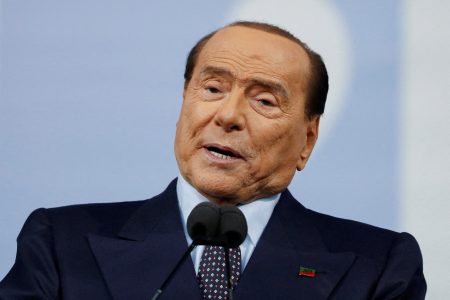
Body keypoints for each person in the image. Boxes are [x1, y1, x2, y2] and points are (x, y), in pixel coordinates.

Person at [0, 21, 426, 299]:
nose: (227, 115)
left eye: (263, 100)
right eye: (212, 88)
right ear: (185, 99)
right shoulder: (60, 244)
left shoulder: (380, 266)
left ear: (307, 139)